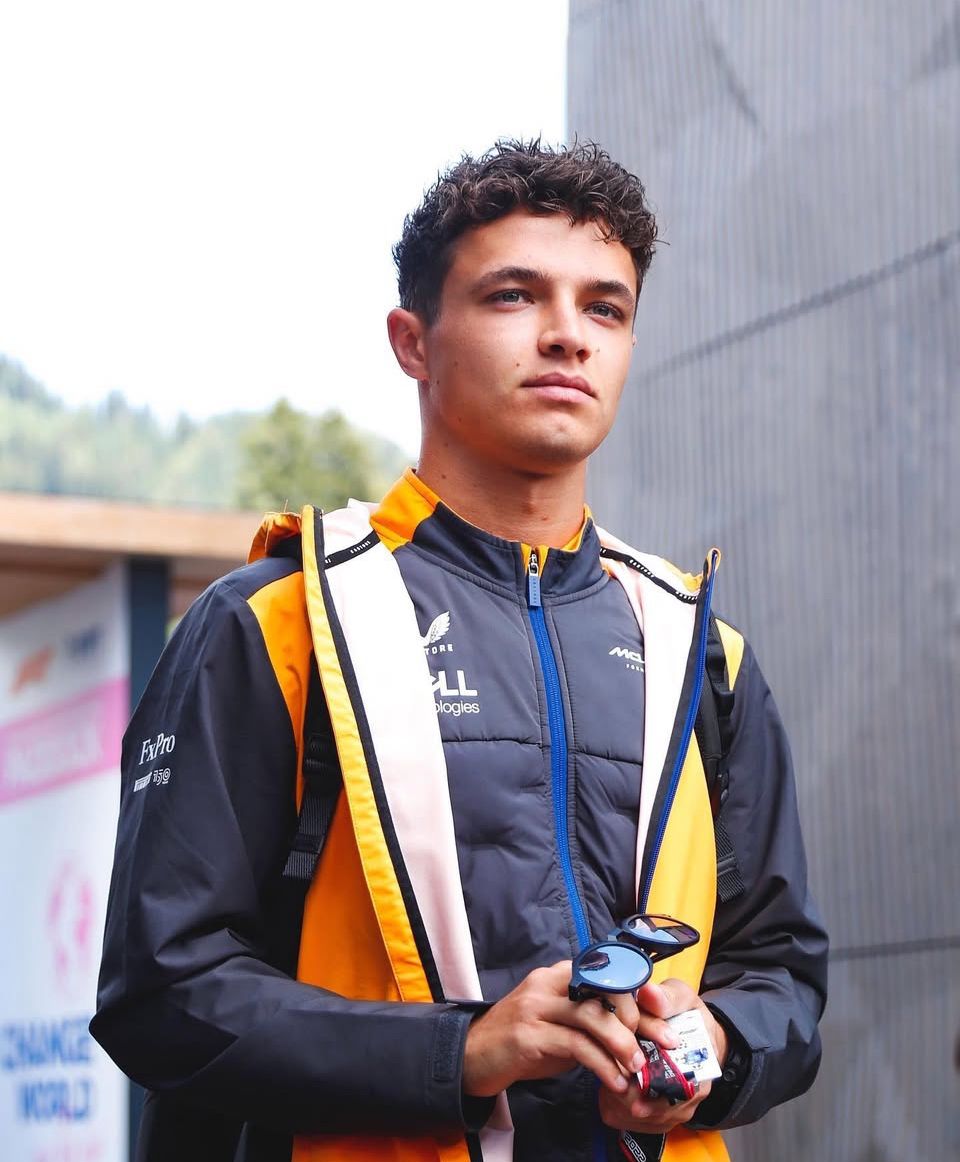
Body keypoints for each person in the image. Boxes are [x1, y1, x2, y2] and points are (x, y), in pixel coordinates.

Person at [92, 140, 828, 1162]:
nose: (567, 335)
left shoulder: (700, 653)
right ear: (414, 342)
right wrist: (463, 1053)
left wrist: (716, 1049)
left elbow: (782, 972)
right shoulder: (279, 622)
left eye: (605, 308)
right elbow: (161, 992)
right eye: (513, 296)